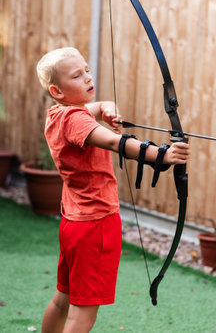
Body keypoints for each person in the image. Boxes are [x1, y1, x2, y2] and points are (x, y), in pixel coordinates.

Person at [36, 47, 190, 333]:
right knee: (83, 315)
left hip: (74, 223)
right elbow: (112, 142)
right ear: (57, 90)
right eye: (76, 75)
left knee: (63, 300)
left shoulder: (58, 115)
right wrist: (161, 155)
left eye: (86, 70)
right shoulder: (77, 120)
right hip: (96, 225)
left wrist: (106, 106)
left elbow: (89, 111)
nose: (86, 77)